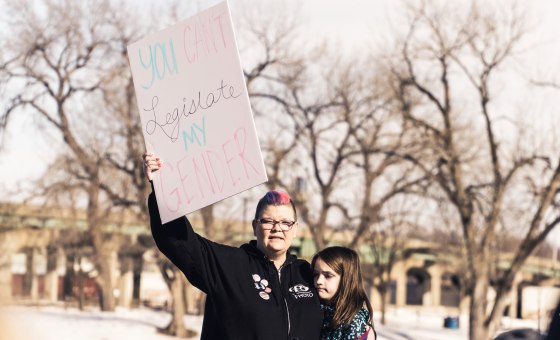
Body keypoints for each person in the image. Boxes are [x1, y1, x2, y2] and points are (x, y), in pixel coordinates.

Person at [143, 153, 323, 340]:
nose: (277, 228)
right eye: (268, 221)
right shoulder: (230, 265)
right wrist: (161, 187)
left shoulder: (308, 274)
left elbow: (344, 307)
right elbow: (179, 242)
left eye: (286, 222)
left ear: (295, 229)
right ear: (254, 226)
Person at [312, 246, 376, 340]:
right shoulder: (321, 311)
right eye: (316, 274)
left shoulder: (355, 324)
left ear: (346, 279)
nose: (319, 281)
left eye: (328, 276)